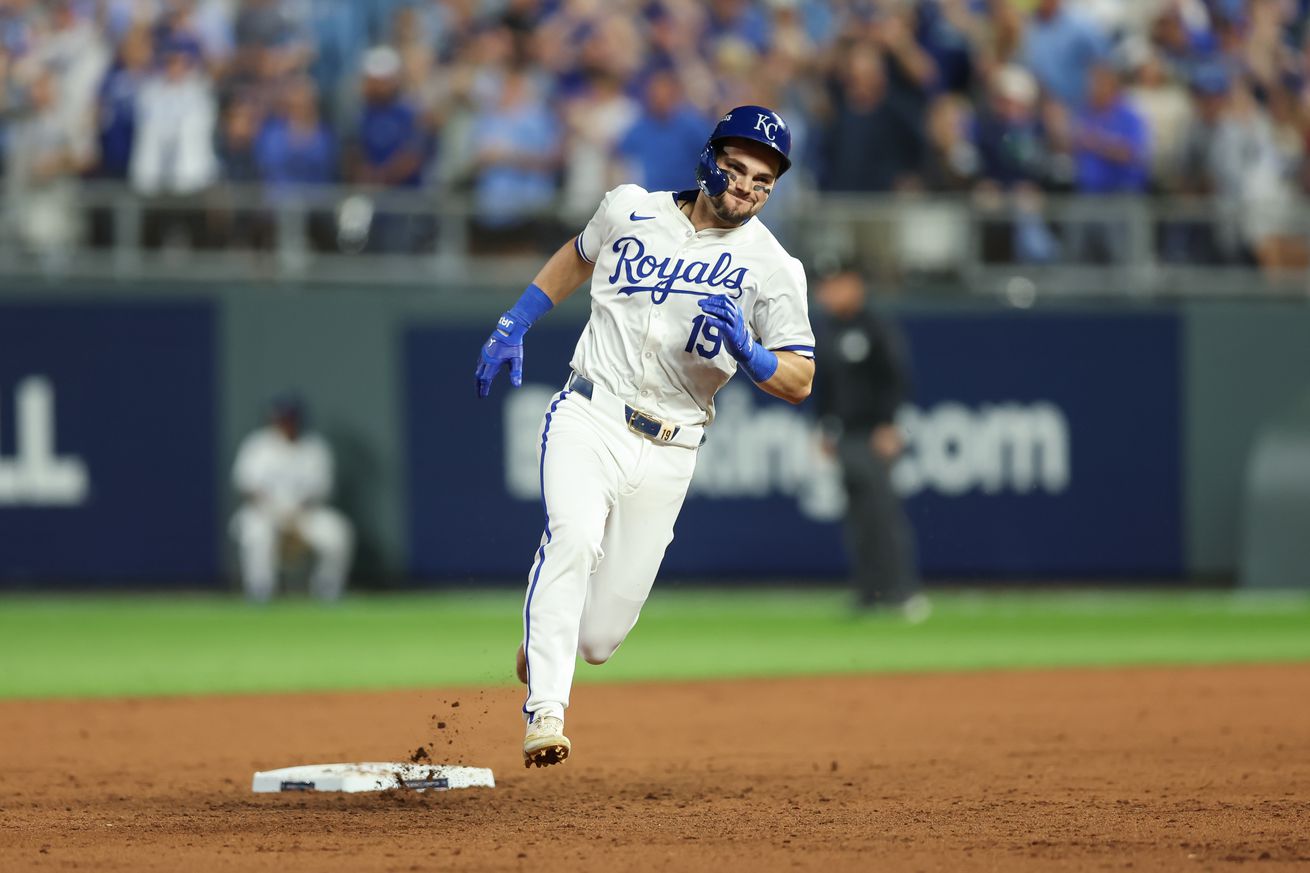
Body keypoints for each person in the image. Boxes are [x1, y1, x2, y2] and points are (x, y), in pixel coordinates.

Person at [475, 105, 815, 768]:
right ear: (709, 157)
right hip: (590, 411)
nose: (747, 186)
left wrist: (753, 352)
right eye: (738, 167)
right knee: (571, 536)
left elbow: (800, 378)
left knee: (599, 638)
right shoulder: (629, 208)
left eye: (763, 180)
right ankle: (546, 709)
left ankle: (550, 630)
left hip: (672, 444)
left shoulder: (773, 266)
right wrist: (515, 319)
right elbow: (578, 255)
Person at [811, 261, 926, 622]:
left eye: (834, 285)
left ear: (854, 285)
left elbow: (896, 378)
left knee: (883, 516)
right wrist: (824, 428)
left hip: (874, 434)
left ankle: (901, 592)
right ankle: (869, 592)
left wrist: (890, 424)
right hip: (845, 435)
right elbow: (824, 387)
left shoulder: (875, 326)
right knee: (858, 519)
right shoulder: (828, 330)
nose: (826, 293)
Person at [230, 396, 354, 603]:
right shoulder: (258, 446)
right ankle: (260, 591)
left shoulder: (314, 448)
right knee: (257, 532)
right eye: (279, 419)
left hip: (304, 514)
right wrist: (275, 512)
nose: (283, 423)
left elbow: (320, 490)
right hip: (265, 512)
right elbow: (246, 486)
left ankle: (328, 590)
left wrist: (294, 518)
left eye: (288, 418)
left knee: (338, 533)